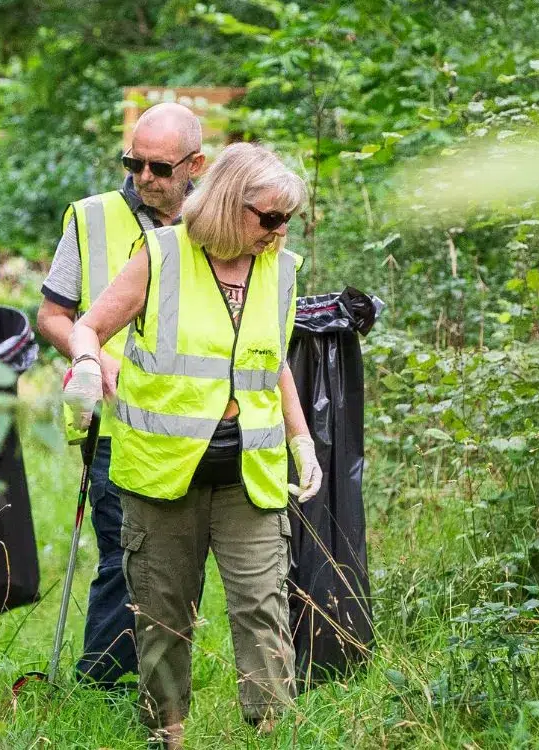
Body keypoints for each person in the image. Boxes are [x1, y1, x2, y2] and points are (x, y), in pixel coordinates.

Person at [61, 142, 325, 748]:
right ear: (231, 204)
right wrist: (84, 363)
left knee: (263, 606)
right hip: (161, 472)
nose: (278, 230)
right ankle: (167, 734)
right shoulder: (159, 256)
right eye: (269, 217)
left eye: (286, 219)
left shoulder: (280, 267)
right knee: (163, 614)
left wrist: (301, 440)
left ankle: (269, 731)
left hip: (249, 473)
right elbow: (89, 325)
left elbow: (274, 360)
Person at [35, 102, 205, 689]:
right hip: (117, 426)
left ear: (194, 165)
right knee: (125, 555)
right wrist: (92, 354)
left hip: (200, 426)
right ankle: (103, 686)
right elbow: (53, 316)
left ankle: (160, 679)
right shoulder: (90, 218)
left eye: (159, 168)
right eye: (134, 164)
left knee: (179, 565)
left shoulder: (219, 224)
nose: (143, 178)